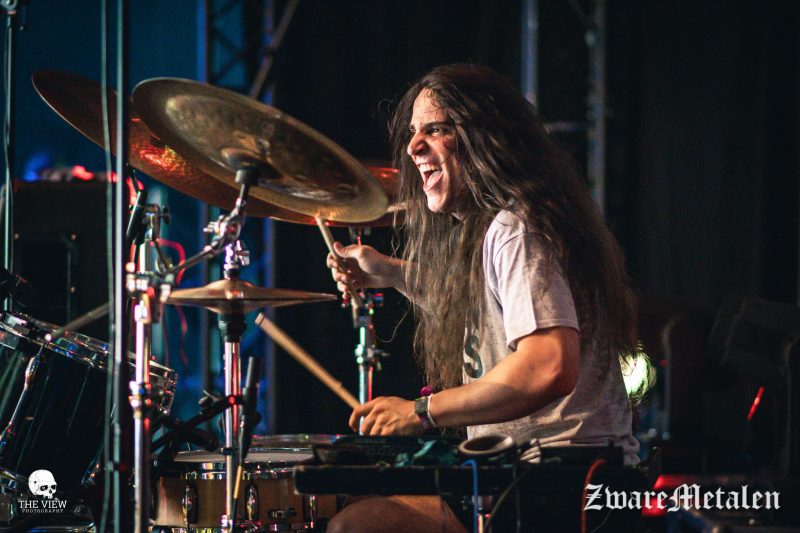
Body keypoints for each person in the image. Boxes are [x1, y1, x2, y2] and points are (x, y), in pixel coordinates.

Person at [325, 63, 640, 532]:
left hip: (565, 486)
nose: (413, 147)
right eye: (413, 132)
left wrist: (421, 412)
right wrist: (388, 272)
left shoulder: (518, 228)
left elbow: (549, 365)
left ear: (486, 139)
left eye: (435, 129)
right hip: (535, 477)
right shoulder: (507, 225)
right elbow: (486, 306)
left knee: (358, 526)